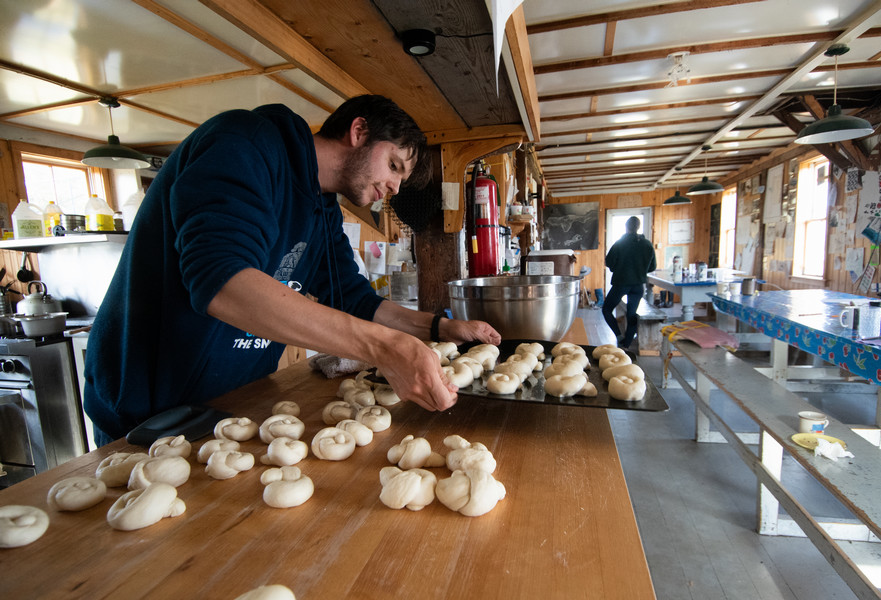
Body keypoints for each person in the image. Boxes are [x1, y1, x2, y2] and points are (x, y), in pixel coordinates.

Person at [83, 95, 500, 444]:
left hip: (232, 406)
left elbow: (354, 300)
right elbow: (220, 283)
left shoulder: (322, 210)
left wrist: (438, 329)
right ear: (358, 132)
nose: (393, 188)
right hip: (147, 407)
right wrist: (383, 348)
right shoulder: (243, 145)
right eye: (393, 165)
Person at [602, 216, 656, 349]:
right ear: (639, 227)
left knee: (606, 309)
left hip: (621, 284)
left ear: (626, 227)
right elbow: (652, 267)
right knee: (631, 313)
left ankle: (619, 336)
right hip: (638, 285)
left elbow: (609, 262)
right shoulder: (647, 244)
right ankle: (627, 344)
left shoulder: (620, 243)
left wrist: (617, 268)